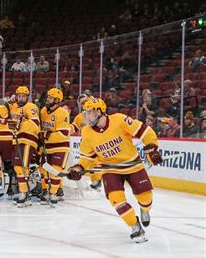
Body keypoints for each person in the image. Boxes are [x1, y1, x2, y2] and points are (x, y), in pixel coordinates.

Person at [66, 98, 163, 243]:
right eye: (85, 113)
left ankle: (145, 209)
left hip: (132, 164)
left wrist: (152, 147)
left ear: (99, 111)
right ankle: (135, 226)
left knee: (145, 198)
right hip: (109, 169)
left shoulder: (119, 120)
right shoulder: (86, 132)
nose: (86, 117)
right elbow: (87, 157)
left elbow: (145, 131)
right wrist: (79, 168)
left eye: (89, 113)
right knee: (116, 200)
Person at [8, 86, 40, 207]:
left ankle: (25, 193)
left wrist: (20, 124)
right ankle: (24, 192)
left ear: (27, 97)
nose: (21, 98)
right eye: (19, 96)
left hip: (28, 140)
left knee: (22, 166)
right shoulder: (14, 108)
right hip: (17, 140)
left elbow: (35, 124)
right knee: (18, 167)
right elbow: (10, 123)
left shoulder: (31, 107)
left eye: (23, 96)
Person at [39, 88, 70, 205]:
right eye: (48, 97)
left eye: (51, 98)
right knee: (43, 170)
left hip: (60, 146)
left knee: (55, 171)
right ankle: (47, 190)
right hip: (46, 147)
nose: (48, 99)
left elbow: (63, 134)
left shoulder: (63, 113)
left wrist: (47, 135)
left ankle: (53, 193)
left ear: (57, 100)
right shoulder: (43, 111)